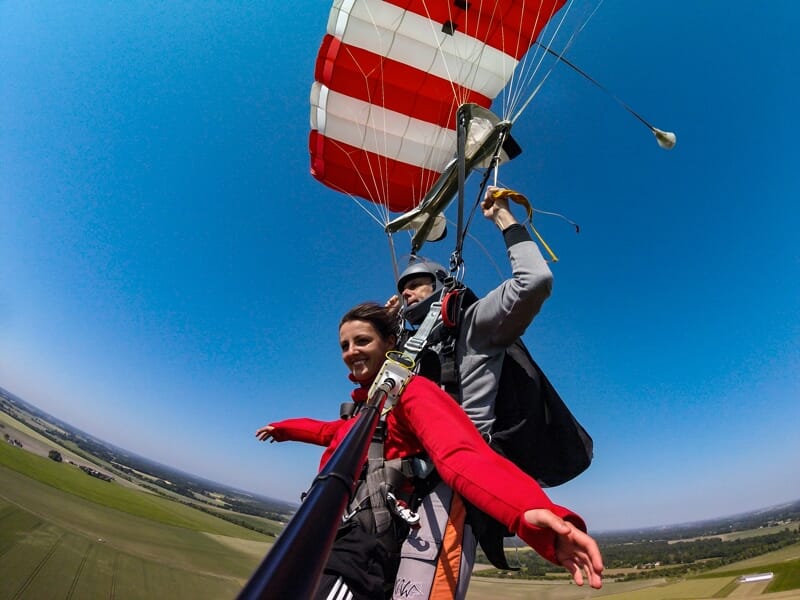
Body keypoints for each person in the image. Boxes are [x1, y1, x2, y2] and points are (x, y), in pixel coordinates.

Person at [256, 302, 603, 600]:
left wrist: (527, 511)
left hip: (362, 546)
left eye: (362, 341)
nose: (351, 351)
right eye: (345, 345)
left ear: (390, 343)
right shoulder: (363, 412)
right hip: (328, 532)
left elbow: (459, 454)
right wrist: (284, 429)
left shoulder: (411, 393)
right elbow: (327, 432)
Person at [385, 185, 556, 597]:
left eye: (417, 284)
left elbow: (535, 281)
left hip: (454, 475)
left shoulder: (475, 323)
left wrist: (503, 219)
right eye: (403, 287)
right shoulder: (409, 346)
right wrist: (384, 329)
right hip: (402, 475)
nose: (407, 292)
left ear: (440, 285)